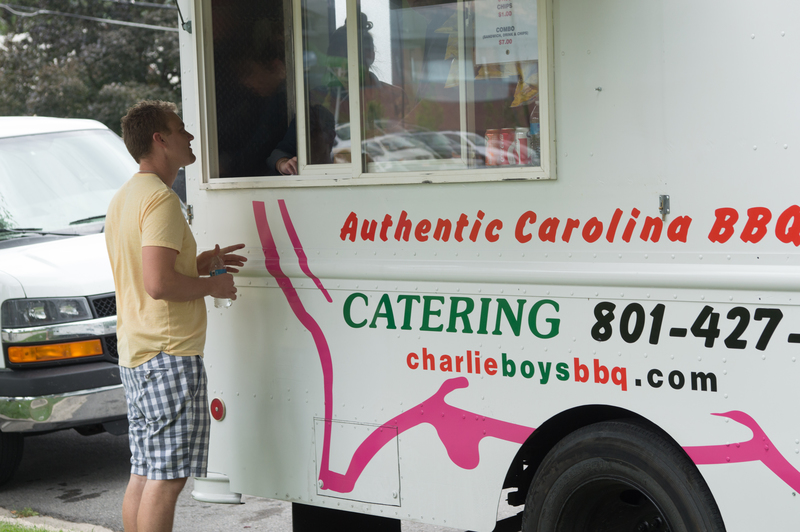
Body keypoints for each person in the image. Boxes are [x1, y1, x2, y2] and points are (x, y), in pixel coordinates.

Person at [105, 100, 247, 532]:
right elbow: (159, 284)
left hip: (138, 352)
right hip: (169, 355)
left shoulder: (124, 198)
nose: (190, 136)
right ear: (159, 139)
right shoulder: (162, 201)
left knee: (144, 471)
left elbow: (149, 271)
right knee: (167, 479)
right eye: (180, 128)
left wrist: (195, 265)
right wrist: (212, 286)